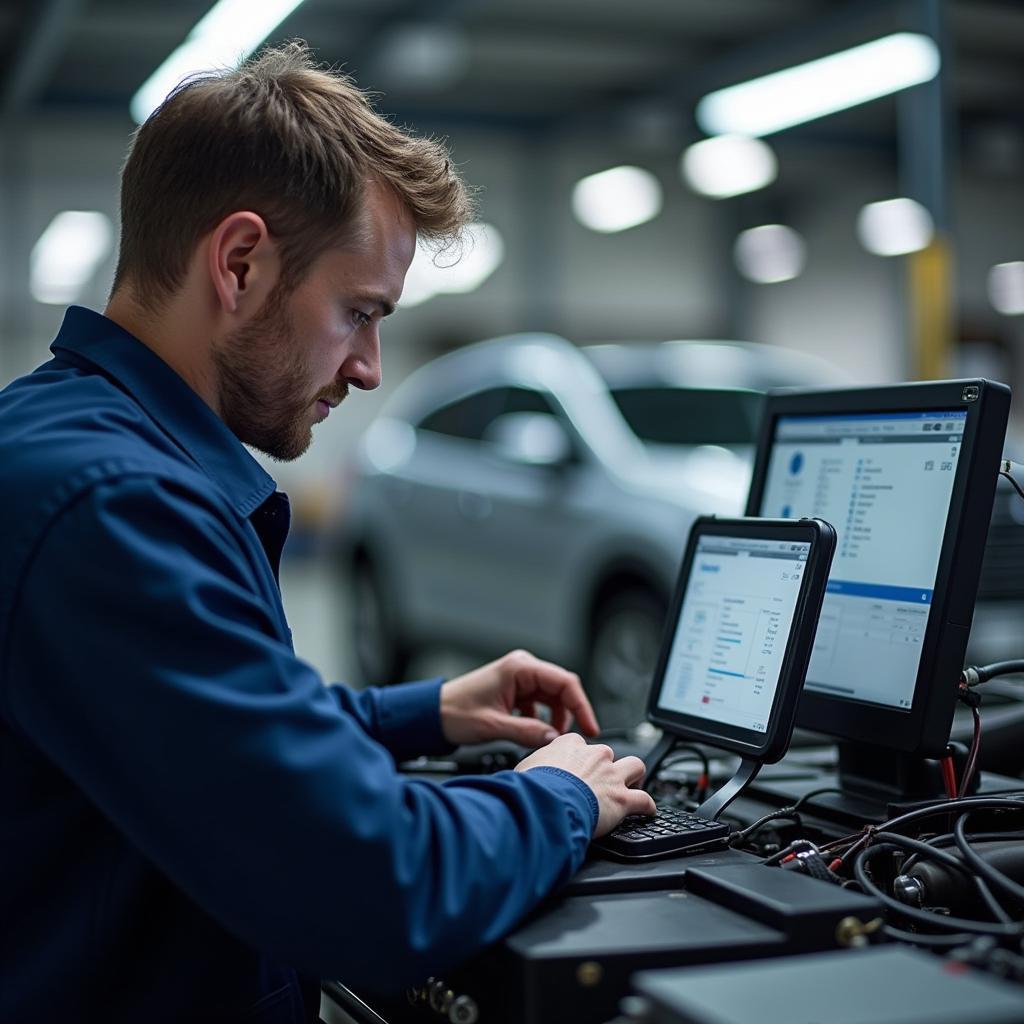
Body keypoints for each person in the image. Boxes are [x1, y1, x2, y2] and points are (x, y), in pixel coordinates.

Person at [0, 42, 655, 1024]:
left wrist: (426, 712)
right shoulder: (115, 503)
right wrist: (554, 795)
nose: (369, 368)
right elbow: (370, 884)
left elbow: (211, 749)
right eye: (358, 313)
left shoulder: (73, 441)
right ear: (240, 263)